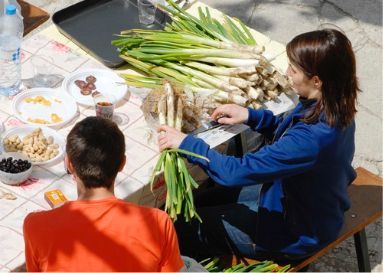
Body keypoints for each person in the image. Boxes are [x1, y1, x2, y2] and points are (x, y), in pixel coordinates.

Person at [157, 28, 360, 261]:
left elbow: (234, 173)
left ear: (316, 80)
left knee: (179, 228)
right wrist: (252, 116)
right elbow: (288, 135)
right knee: (197, 200)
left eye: (293, 70)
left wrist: (188, 144)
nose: (287, 73)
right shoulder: (334, 102)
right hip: (295, 196)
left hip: (294, 232)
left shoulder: (313, 138)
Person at [23, 117, 184, 272]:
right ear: (122, 163)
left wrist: (59, 216)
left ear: (69, 164)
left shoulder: (36, 226)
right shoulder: (158, 224)